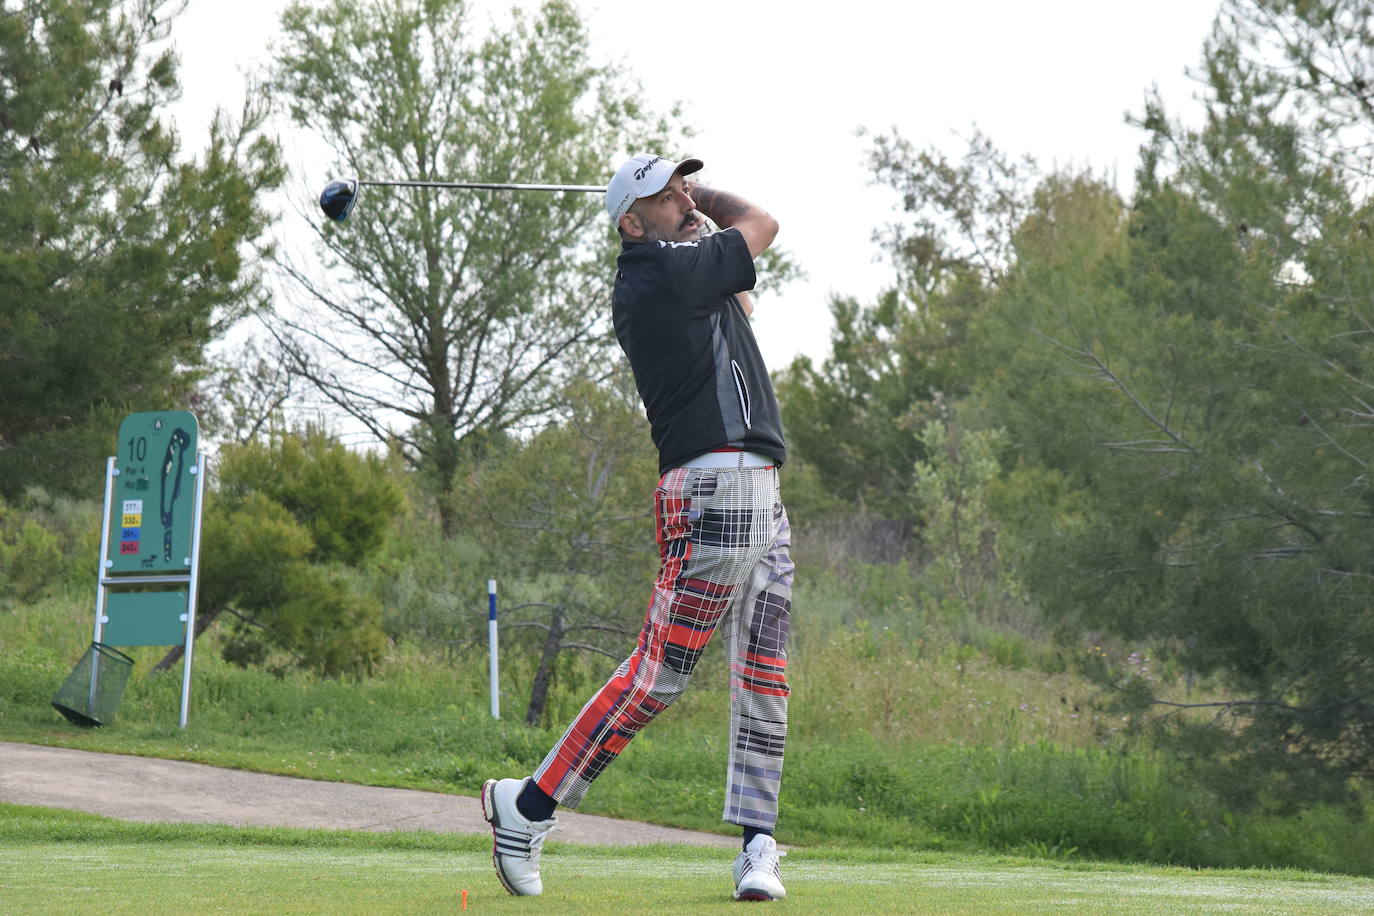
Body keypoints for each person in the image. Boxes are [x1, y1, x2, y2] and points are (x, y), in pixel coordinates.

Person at [482, 154, 795, 902]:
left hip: (763, 495)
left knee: (763, 673)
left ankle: (758, 845)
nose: (686, 198)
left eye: (686, 185)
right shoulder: (656, 273)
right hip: (716, 491)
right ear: (630, 223)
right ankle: (526, 807)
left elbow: (743, 299)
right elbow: (763, 224)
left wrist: (684, 202)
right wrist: (710, 199)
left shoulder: (690, 273)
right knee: (658, 673)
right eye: (666, 194)